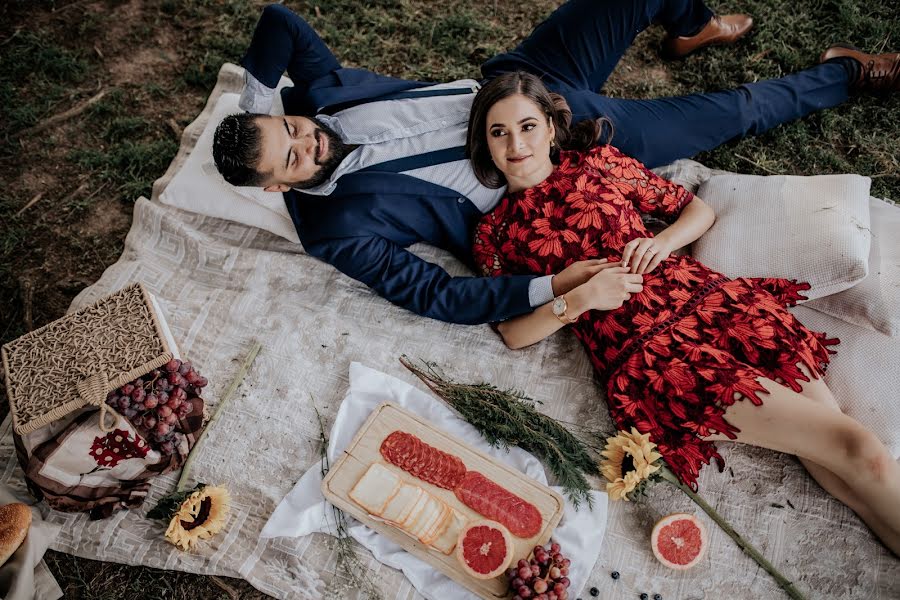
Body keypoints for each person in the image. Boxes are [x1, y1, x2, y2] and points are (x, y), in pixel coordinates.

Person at [212, 1, 899, 325]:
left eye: (294, 130)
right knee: (735, 112)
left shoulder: (316, 96)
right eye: (296, 160)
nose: (312, 143)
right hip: (551, 153)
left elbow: (279, 21)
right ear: (278, 185)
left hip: (522, 79)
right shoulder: (333, 228)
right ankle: (847, 76)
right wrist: (555, 288)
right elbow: (434, 295)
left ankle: (689, 24)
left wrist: (259, 102)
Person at [467, 70, 900, 554]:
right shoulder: (495, 233)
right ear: (485, 145)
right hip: (657, 359)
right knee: (857, 449)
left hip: (721, 307)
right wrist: (579, 300)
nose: (516, 144)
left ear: (550, 126)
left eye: (527, 126)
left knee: (846, 465)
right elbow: (512, 332)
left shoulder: (598, 163)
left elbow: (695, 209)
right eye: (499, 132)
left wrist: (661, 241)